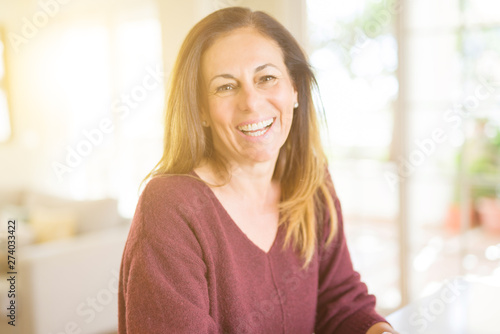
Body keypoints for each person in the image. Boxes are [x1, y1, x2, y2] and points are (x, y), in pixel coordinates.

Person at [118, 6, 398, 334]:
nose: (251, 101)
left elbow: (341, 303)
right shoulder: (171, 206)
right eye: (225, 86)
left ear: (294, 89)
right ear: (201, 111)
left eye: (266, 78)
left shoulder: (312, 182)